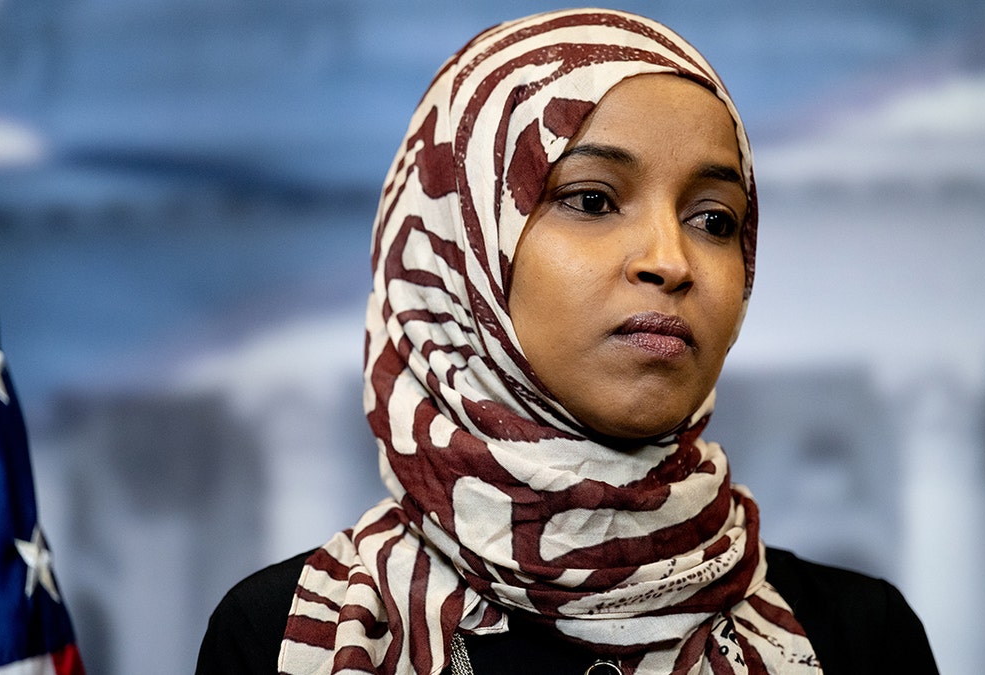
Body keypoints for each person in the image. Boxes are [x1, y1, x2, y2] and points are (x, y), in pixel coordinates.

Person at [197, 8, 939, 674]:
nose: (670, 261)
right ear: (464, 251)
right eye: (592, 199)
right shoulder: (285, 636)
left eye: (714, 219)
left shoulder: (858, 639)